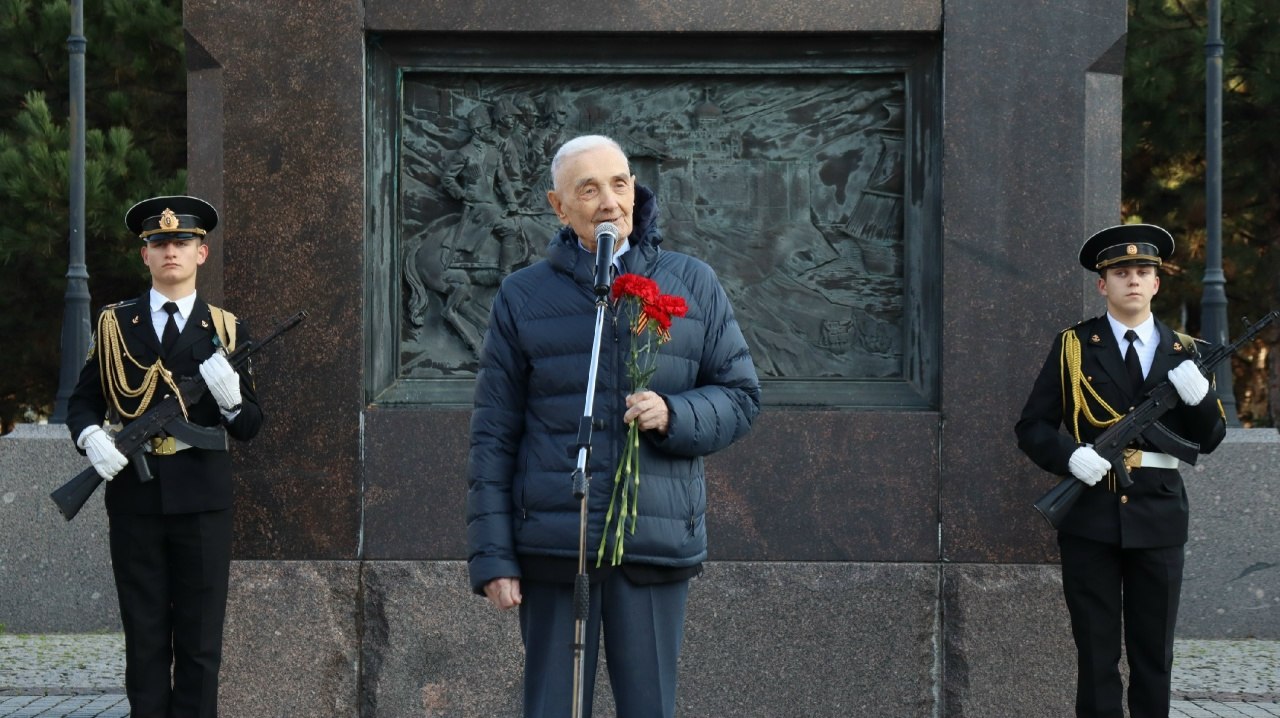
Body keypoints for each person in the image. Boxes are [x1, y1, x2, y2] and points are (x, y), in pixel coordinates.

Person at [466, 135, 761, 718]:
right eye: (589, 188)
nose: (609, 201)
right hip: (554, 542)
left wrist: (675, 414)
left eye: (619, 183)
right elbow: (494, 433)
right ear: (559, 206)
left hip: (652, 544)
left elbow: (741, 396)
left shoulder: (691, 282)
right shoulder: (523, 295)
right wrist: (493, 557)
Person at [1015, 223, 1227, 718]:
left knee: (1154, 656)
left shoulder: (1190, 352)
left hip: (1158, 518)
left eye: (1143, 272)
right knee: (1096, 655)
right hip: (1090, 518)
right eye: (1121, 272)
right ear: (1102, 284)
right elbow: (1033, 425)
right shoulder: (1073, 346)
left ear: (1156, 284)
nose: (1133, 280)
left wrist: (1199, 401)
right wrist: (1068, 456)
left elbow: (1211, 438)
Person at [66, 195, 263, 718]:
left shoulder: (223, 328)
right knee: (145, 639)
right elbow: (82, 402)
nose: (170, 249)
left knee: (200, 645)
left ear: (202, 253)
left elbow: (249, 427)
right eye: (159, 242)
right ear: (144, 256)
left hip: (203, 501)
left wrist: (232, 401)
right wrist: (91, 437)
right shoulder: (114, 325)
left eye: (182, 242)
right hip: (135, 499)